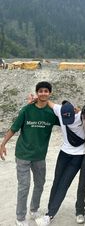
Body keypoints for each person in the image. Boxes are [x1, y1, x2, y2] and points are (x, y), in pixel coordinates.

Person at [0, 81, 59, 226]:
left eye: (46, 91)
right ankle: (20, 217)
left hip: (40, 156)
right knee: (24, 186)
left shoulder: (52, 114)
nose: (43, 93)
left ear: (50, 93)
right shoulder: (26, 110)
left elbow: (68, 118)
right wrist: (2, 144)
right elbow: (14, 128)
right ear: (37, 92)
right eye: (40, 91)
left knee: (40, 183)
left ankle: (34, 209)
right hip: (23, 155)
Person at [35, 100, 85, 226]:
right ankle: (50, 209)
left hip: (78, 156)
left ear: (74, 111)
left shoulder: (81, 115)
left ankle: (50, 215)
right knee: (56, 181)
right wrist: (33, 100)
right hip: (63, 153)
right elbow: (46, 101)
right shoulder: (59, 109)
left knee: (64, 184)